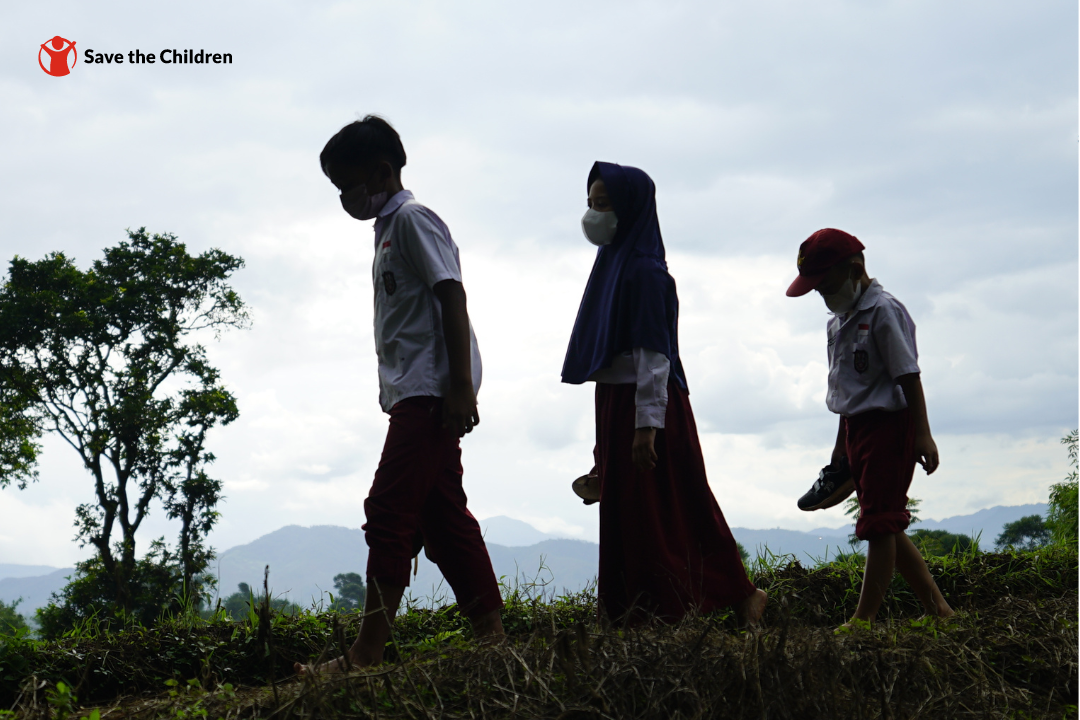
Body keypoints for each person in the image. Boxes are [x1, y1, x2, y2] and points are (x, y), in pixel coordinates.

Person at [295, 116, 504, 674]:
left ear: (381, 172)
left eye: (348, 185)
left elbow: (451, 297)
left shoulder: (412, 220)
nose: (345, 198)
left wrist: (459, 387)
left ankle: (366, 655)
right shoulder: (385, 231)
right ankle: (493, 637)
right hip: (413, 394)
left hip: (430, 396)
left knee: (388, 511)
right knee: (443, 520)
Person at [562, 161, 767, 626]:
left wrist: (646, 425)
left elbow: (655, 354)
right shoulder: (612, 265)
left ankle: (732, 596)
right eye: (590, 205)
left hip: (650, 408)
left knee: (672, 505)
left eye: (604, 205)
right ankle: (635, 611)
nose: (594, 215)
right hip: (619, 405)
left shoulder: (646, 272)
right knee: (631, 512)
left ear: (631, 209)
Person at [785, 228, 954, 628]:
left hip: (891, 428)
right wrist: (841, 447)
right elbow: (847, 390)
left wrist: (922, 434)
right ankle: (940, 611)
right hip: (856, 429)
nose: (822, 296)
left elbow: (908, 376)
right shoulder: (838, 321)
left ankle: (863, 621)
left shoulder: (884, 312)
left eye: (825, 285)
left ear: (855, 269)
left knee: (879, 523)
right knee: (886, 520)